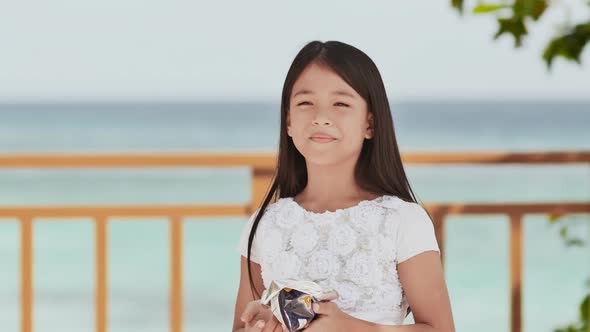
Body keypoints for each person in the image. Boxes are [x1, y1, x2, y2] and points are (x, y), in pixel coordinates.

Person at [232, 40, 455, 332]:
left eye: (340, 104)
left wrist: (348, 327)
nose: (321, 117)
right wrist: (259, 326)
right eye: (305, 103)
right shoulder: (264, 226)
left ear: (370, 124)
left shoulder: (402, 221)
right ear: (288, 121)